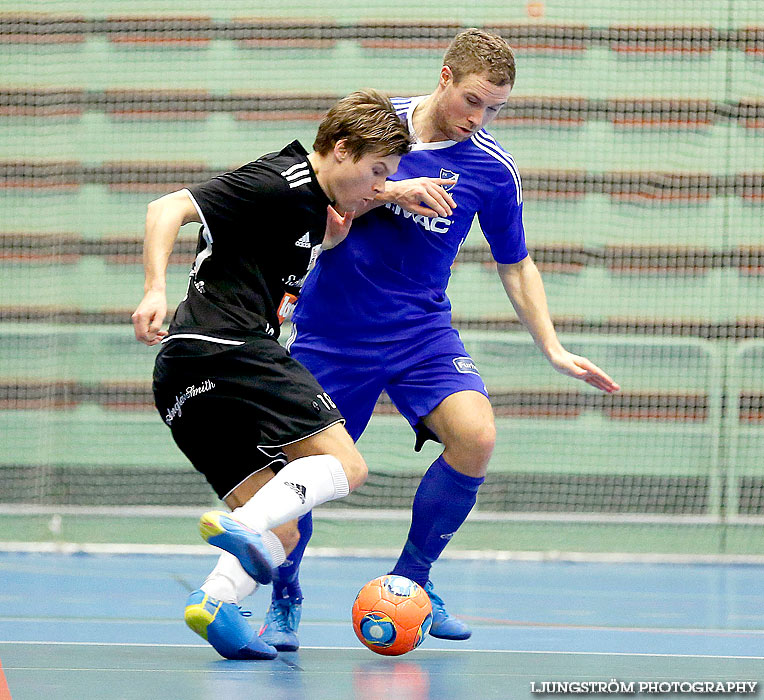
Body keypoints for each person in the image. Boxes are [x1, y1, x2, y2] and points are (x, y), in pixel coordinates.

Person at [258, 29, 621, 651]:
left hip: (421, 334)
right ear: (445, 74)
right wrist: (392, 189)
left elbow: (516, 262)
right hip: (332, 333)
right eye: (473, 101)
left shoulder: (490, 168)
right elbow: (309, 197)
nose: (478, 118)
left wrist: (553, 347)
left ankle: (412, 585)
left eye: (495, 109)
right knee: (306, 469)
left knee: (477, 436)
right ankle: (285, 588)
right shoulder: (374, 127)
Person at [131, 89, 411, 660]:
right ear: (338, 149)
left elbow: (289, 242)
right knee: (344, 465)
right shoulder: (280, 181)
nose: (379, 187)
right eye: (375, 172)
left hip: (181, 377)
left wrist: (331, 235)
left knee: (283, 533)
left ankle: (213, 604)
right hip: (230, 346)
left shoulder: (314, 210)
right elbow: (166, 208)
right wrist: (154, 289)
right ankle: (244, 528)